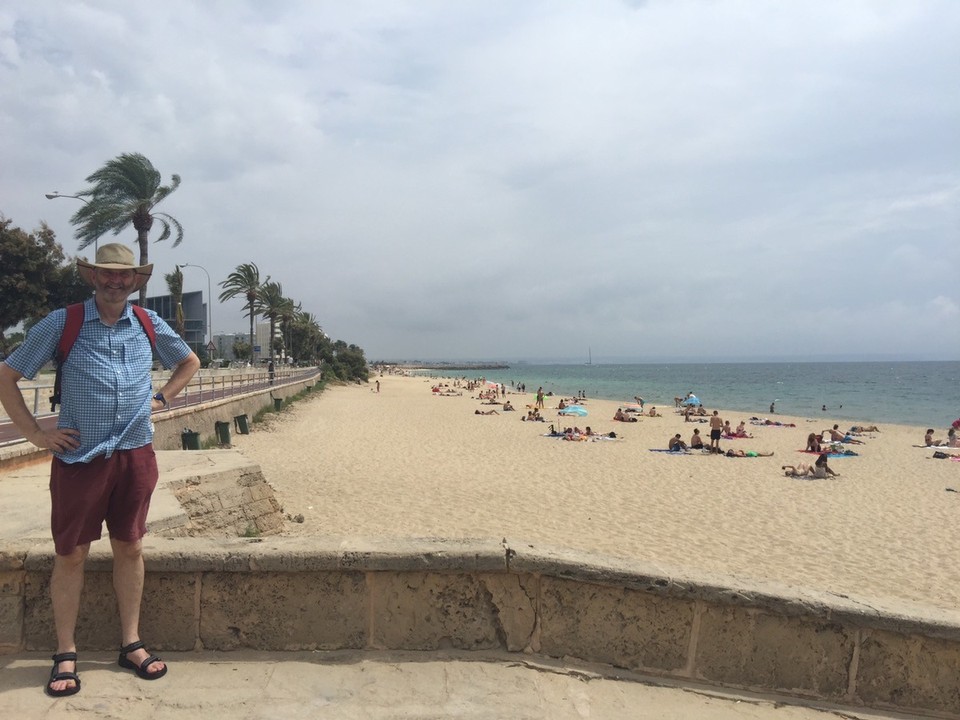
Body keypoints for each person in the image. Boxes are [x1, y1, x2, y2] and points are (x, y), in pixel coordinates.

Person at [0, 244, 200, 697]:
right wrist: (36, 435)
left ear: (135, 281)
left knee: (130, 548)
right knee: (71, 554)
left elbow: (189, 361)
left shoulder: (148, 323)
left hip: (135, 454)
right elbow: (7, 375)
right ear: (93, 278)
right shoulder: (63, 322)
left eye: (124, 275)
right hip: (78, 458)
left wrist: (162, 397)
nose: (115, 281)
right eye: (107, 274)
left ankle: (131, 643)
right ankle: (65, 653)